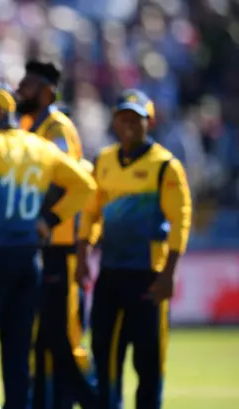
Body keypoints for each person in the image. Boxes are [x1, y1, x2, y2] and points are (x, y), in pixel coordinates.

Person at [0, 83, 97, 408]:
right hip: (29, 260)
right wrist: (49, 219)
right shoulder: (40, 147)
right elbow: (84, 186)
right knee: (18, 358)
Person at [76, 89, 192, 409]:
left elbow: (180, 220)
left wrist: (169, 273)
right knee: (104, 353)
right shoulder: (104, 160)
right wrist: (84, 254)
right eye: (122, 117)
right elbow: (90, 211)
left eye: (135, 119)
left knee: (149, 360)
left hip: (148, 275)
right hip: (111, 274)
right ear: (114, 120)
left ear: (149, 122)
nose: (128, 124)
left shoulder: (165, 166)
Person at [16, 60, 98, 409]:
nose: (21, 89)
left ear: (48, 91)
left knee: (65, 338)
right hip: (41, 245)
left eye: (29, 85)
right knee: (43, 340)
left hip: (59, 245)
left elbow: (62, 183)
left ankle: (98, 400)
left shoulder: (56, 128)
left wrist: (45, 218)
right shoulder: (28, 124)